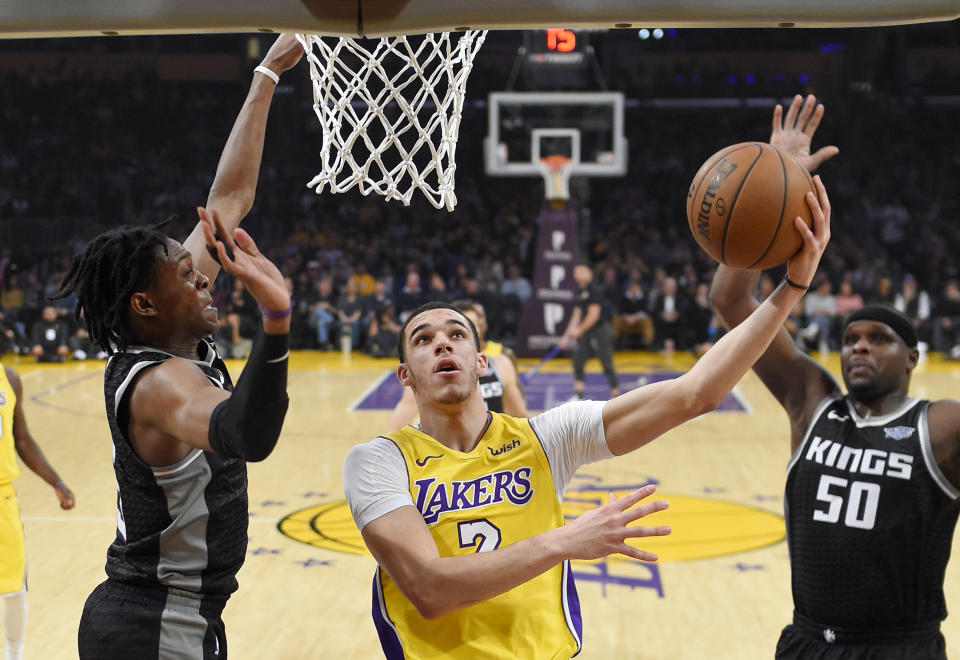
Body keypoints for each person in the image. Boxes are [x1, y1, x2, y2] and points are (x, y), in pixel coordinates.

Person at [343, 173, 830, 658]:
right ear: (405, 375)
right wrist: (564, 541)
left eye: (456, 334)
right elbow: (429, 590)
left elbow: (694, 394)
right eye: (423, 340)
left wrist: (792, 286)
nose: (442, 342)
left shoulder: (546, 439)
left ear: (483, 360)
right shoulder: (377, 462)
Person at [55, 34, 303, 659]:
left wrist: (267, 75)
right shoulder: (161, 384)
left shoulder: (166, 334)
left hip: (175, 616)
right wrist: (275, 319)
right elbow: (246, 436)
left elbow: (227, 202)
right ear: (145, 304)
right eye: (189, 277)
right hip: (154, 622)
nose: (204, 277)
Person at [711, 94, 959, 659]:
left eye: (878, 340)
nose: (859, 348)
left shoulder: (939, 427)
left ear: (913, 358)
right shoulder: (812, 400)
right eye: (851, 340)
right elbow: (729, 298)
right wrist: (777, 174)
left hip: (900, 648)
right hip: (807, 642)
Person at [0, 365, 75, 660]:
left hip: (2, 497)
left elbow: (22, 440)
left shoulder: (9, 378)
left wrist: (55, 480)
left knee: (14, 589)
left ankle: (14, 654)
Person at [388, 299, 529, 430]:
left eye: (457, 333)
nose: (444, 342)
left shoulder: (501, 362)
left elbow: (518, 414)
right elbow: (405, 411)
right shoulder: (425, 374)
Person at [560, 263, 620, 400]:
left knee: (606, 363)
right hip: (586, 332)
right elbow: (576, 316)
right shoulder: (579, 293)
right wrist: (565, 336)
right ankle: (579, 395)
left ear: (589, 272)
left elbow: (594, 315)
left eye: (581, 270)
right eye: (576, 271)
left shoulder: (594, 290)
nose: (578, 274)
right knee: (578, 361)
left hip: (600, 330)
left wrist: (579, 331)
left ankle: (615, 394)